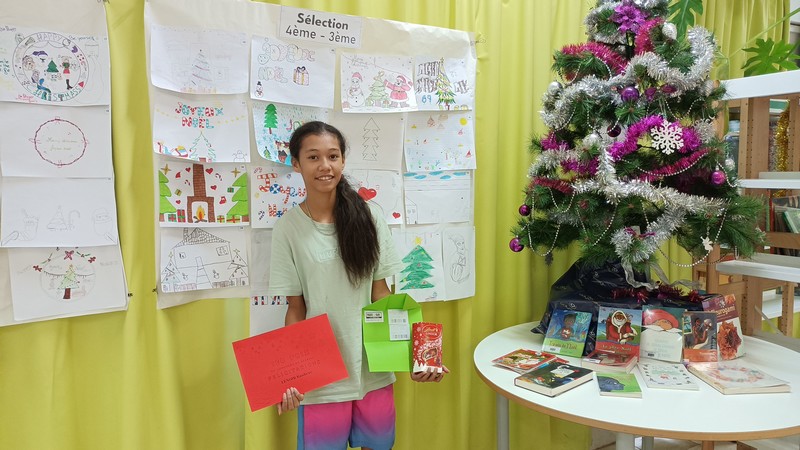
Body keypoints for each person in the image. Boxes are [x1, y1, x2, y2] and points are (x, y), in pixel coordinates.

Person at [269, 121, 448, 450]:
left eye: (333, 156)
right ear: (296, 164)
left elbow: (382, 296)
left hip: (373, 367)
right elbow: (296, 309)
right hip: (322, 376)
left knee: (379, 445)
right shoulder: (288, 229)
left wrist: (417, 356)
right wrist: (291, 376)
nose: (325, 166)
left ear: (343, 160)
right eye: (313, 157)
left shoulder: (370, 217)